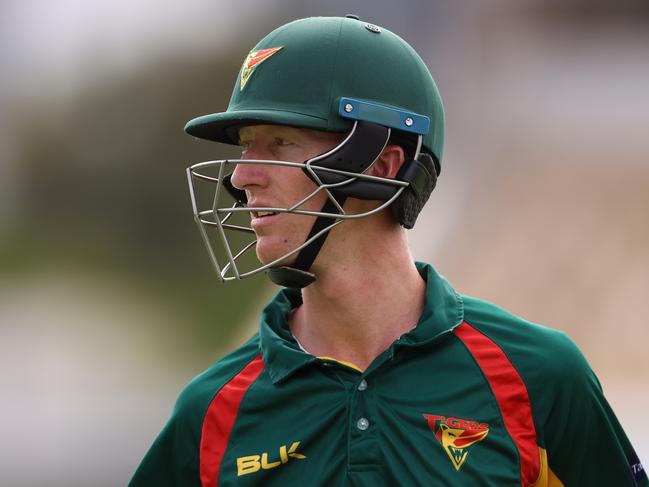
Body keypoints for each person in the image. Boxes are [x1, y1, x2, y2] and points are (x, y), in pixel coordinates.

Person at [130, 16, 647, 487]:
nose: (241, 176)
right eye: (245, 145)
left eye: (280, 143)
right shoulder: (210, 412)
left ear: (380, 165)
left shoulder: (541, 376)